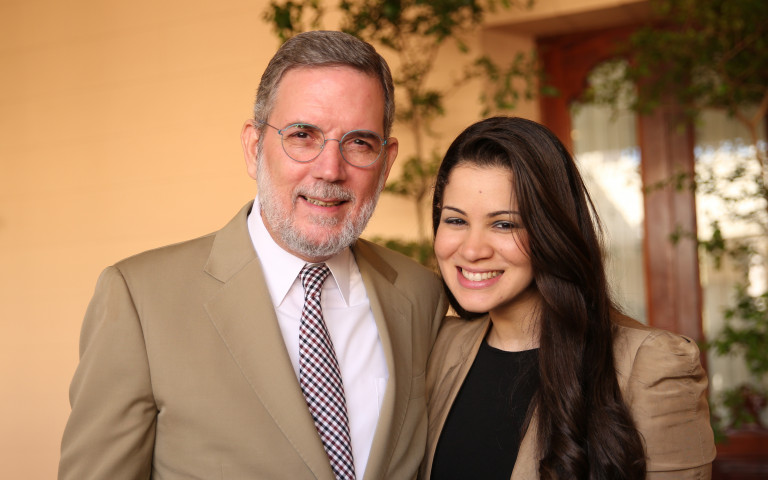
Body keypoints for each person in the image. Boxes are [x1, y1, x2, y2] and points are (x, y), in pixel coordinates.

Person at [58, 30, 448, 480]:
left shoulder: (422, 295)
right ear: (253, 146)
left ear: (386, 161)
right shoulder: (140, 301)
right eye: (303, 135)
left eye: (359, 142)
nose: (330, 170)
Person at [421, 116, 716, 479]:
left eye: (504, 224)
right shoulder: (440, 347)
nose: (472, 250)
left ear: (552, 230)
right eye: (455, 220)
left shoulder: (652, 364)